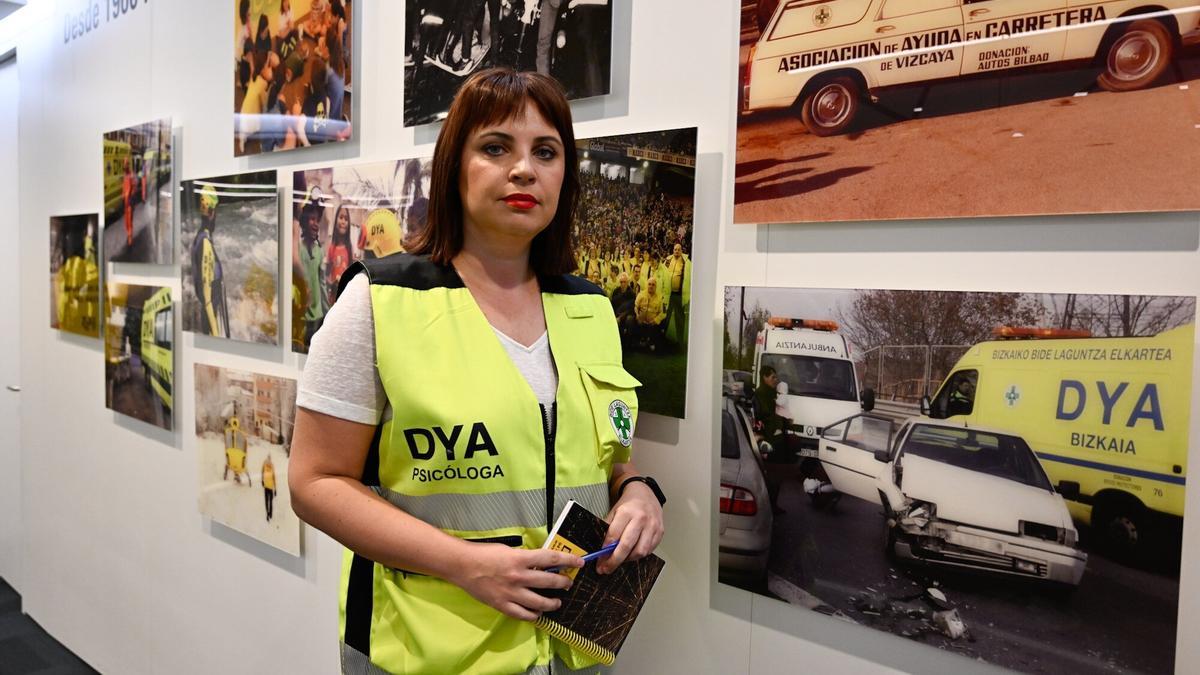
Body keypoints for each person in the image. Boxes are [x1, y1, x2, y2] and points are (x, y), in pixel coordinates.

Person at [289, 68, 665, 674]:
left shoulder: (592, 310)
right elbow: (314, 482)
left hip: (574, 654)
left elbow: (606, 456)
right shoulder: (380, 301)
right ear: (453, 167)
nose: (524, 170)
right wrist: (465, 564)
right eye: (496, 148)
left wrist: (638, 490)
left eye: (546, 152)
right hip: (425, 652)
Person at [190, 185, 230, 337]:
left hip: (209, 317)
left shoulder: (200, 238)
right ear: (212, 213)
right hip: (211, 322)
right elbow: (207, 300)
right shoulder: (205, 243)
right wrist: (216, 335)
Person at [295, 201, 327, 344]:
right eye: (312, 219)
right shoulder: (298, 250)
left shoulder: (319, 251)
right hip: (302, 314)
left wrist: (327, 312)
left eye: (317, 220)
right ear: (304, 222)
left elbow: (322, 283)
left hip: (317, 314)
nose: (316, 224)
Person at [665, 242, 690, 347]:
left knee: (679, 319)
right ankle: (661, 338)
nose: (677, 251)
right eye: (675, 249)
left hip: (679, 295)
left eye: (679, 249)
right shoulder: (668, 260)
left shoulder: (686, 262)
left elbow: (688, 279)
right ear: (673, 250)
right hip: (668, 294)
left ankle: (680, 342)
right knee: (665, 316)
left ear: (681, 251)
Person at [224, 416, 250, 486]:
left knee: (230, 465)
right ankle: (235, 475)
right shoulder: (236, 434)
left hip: (232, 456)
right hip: (236, 457)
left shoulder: (230, 433)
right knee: (235, 465)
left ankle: (234, 475)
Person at [122, 159, 135, 247]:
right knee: (126, 220)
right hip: (125, 202)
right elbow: (124, 187)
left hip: (129, 202)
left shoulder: (131, 175)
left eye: (126, 164)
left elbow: (133, 188)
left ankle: (130, 236)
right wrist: (122, 196)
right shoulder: (125, 175)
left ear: (128, 165)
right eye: (124, 165)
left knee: (129, 220)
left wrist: (129, 198)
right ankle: (128, 233)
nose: (124, 166)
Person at [262, 454, 277, 522]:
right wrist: (275, 489)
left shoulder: (266, 465)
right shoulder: (268, 465)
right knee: (269, 501)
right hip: (269, 487)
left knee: (268, 501)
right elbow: (273, 477)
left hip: (268, 487)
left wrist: (262, 481)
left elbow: (263, 473)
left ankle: (269, 514)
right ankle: (269, 514)